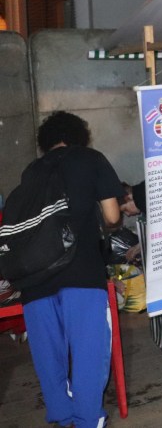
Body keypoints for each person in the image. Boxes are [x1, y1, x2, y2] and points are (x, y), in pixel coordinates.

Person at [18, 111, 121, 428]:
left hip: (35, 277)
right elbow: (113, 216)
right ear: (79, 136)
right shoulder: (92, 159)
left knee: (48, 354)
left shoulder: (31, 170)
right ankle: (89, 420)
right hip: (82, 271)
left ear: (45, 141)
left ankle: (62, 416)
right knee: (89, 350)